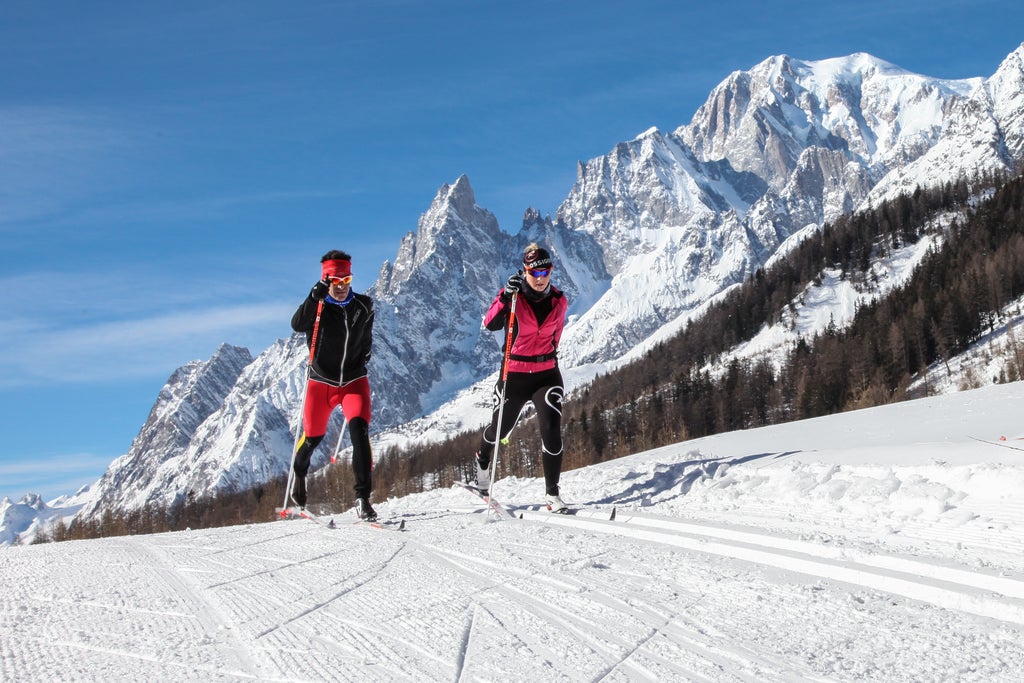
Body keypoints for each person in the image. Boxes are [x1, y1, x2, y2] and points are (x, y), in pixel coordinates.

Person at [473, 243, 570, 512]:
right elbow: (490, 323)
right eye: (534, 273)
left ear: (551, 271)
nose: (540, 278)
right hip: (514, 375)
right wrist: (505, 296)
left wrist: (548, 357)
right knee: (500, 430)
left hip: (546, 375)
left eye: (545, 272)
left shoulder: (559, 301)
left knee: (551, 430)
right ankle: (482, 459)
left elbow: (555, 336)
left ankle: (552, 494)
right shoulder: (514, 297)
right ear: (525, 272)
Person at [290, 250, 377, 521]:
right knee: (312, 438)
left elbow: (366, 336)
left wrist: (365, 355)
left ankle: (363, 499)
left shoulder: (363, 305)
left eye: (346, 280)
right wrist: (312, 296)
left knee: (359, 432)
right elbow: (297, 325)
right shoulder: (317, 307)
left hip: (353, 382)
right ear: (326, 281)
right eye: (335, 281)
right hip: (321, 383)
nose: (341, 287)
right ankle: (299, 475)